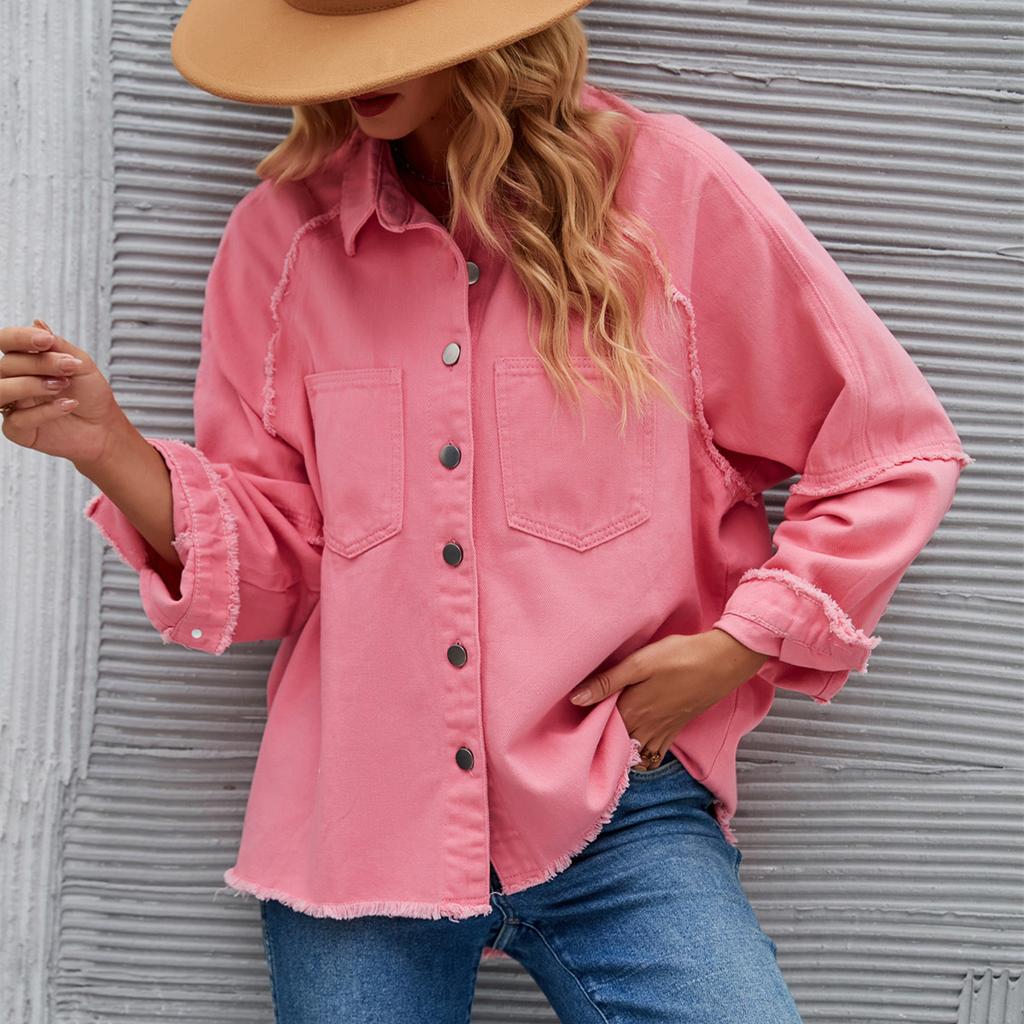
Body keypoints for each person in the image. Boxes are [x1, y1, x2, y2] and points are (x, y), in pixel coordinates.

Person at [0, 1, 973, 1021]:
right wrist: (107, 446)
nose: (358, 69)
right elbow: (280, 567)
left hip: (617, 799)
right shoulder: (282, 242)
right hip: (359, 819)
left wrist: (737, 646)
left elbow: (889, 448)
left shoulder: (667, 194)